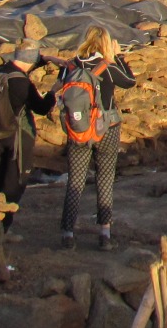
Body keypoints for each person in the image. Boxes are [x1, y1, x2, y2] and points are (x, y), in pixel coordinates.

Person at [58, 26, 135, 252]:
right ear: (106, 43)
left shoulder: (71, 66)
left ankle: (68, 233)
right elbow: (130, 82)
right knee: (105, 178)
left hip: (79, 129)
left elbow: (64, 89)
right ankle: (104, 233)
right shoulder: (108, 67)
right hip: (107, 128)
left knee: (75, 181)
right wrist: (118, 57)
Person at [0, 41, 55, 241]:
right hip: (16, 136)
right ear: (31, 59)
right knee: (14, 181)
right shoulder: (22, 83)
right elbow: (41, 107)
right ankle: (3, 228)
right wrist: (54, 92)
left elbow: (23, 65)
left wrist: (43, 60)